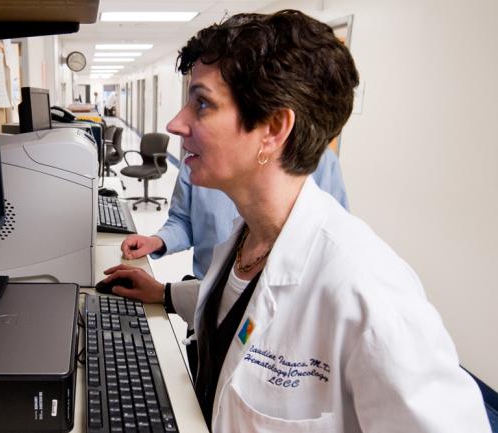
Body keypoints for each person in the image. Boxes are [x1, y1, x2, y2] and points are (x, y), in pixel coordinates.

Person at [102, 9, 490, 433]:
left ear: (273, 128)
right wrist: (164, 292)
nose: (176, 123)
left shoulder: (370, 291)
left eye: (202, 103)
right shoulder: (250, 234)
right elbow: (246, 303)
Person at [122, 147, 348, 280]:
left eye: (204, 103)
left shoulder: (319, 162)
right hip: (205, 299)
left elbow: (333, 247)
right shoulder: (197, 159)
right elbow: (184, 220)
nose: (177, 124)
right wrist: (157, 241)